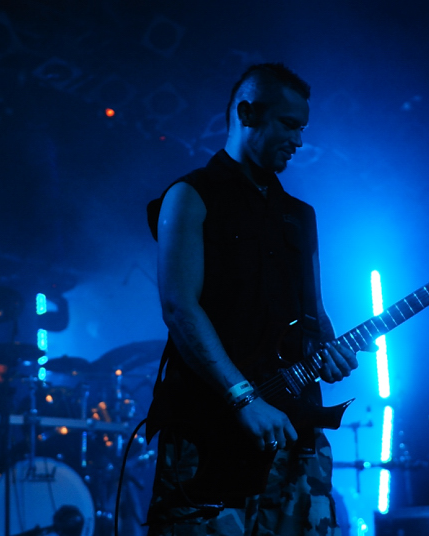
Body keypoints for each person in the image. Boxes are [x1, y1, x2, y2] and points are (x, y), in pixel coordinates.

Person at [144, 63, 359, 536]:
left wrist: (332, 350)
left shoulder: (300, 216)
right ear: (247, 113)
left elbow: (314, 314)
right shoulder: (191, 195)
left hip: (297, 430)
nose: (299, 141)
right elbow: (180, 306)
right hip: (212, 425)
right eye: (288, 124)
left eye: (302, 128)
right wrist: (243, 398)